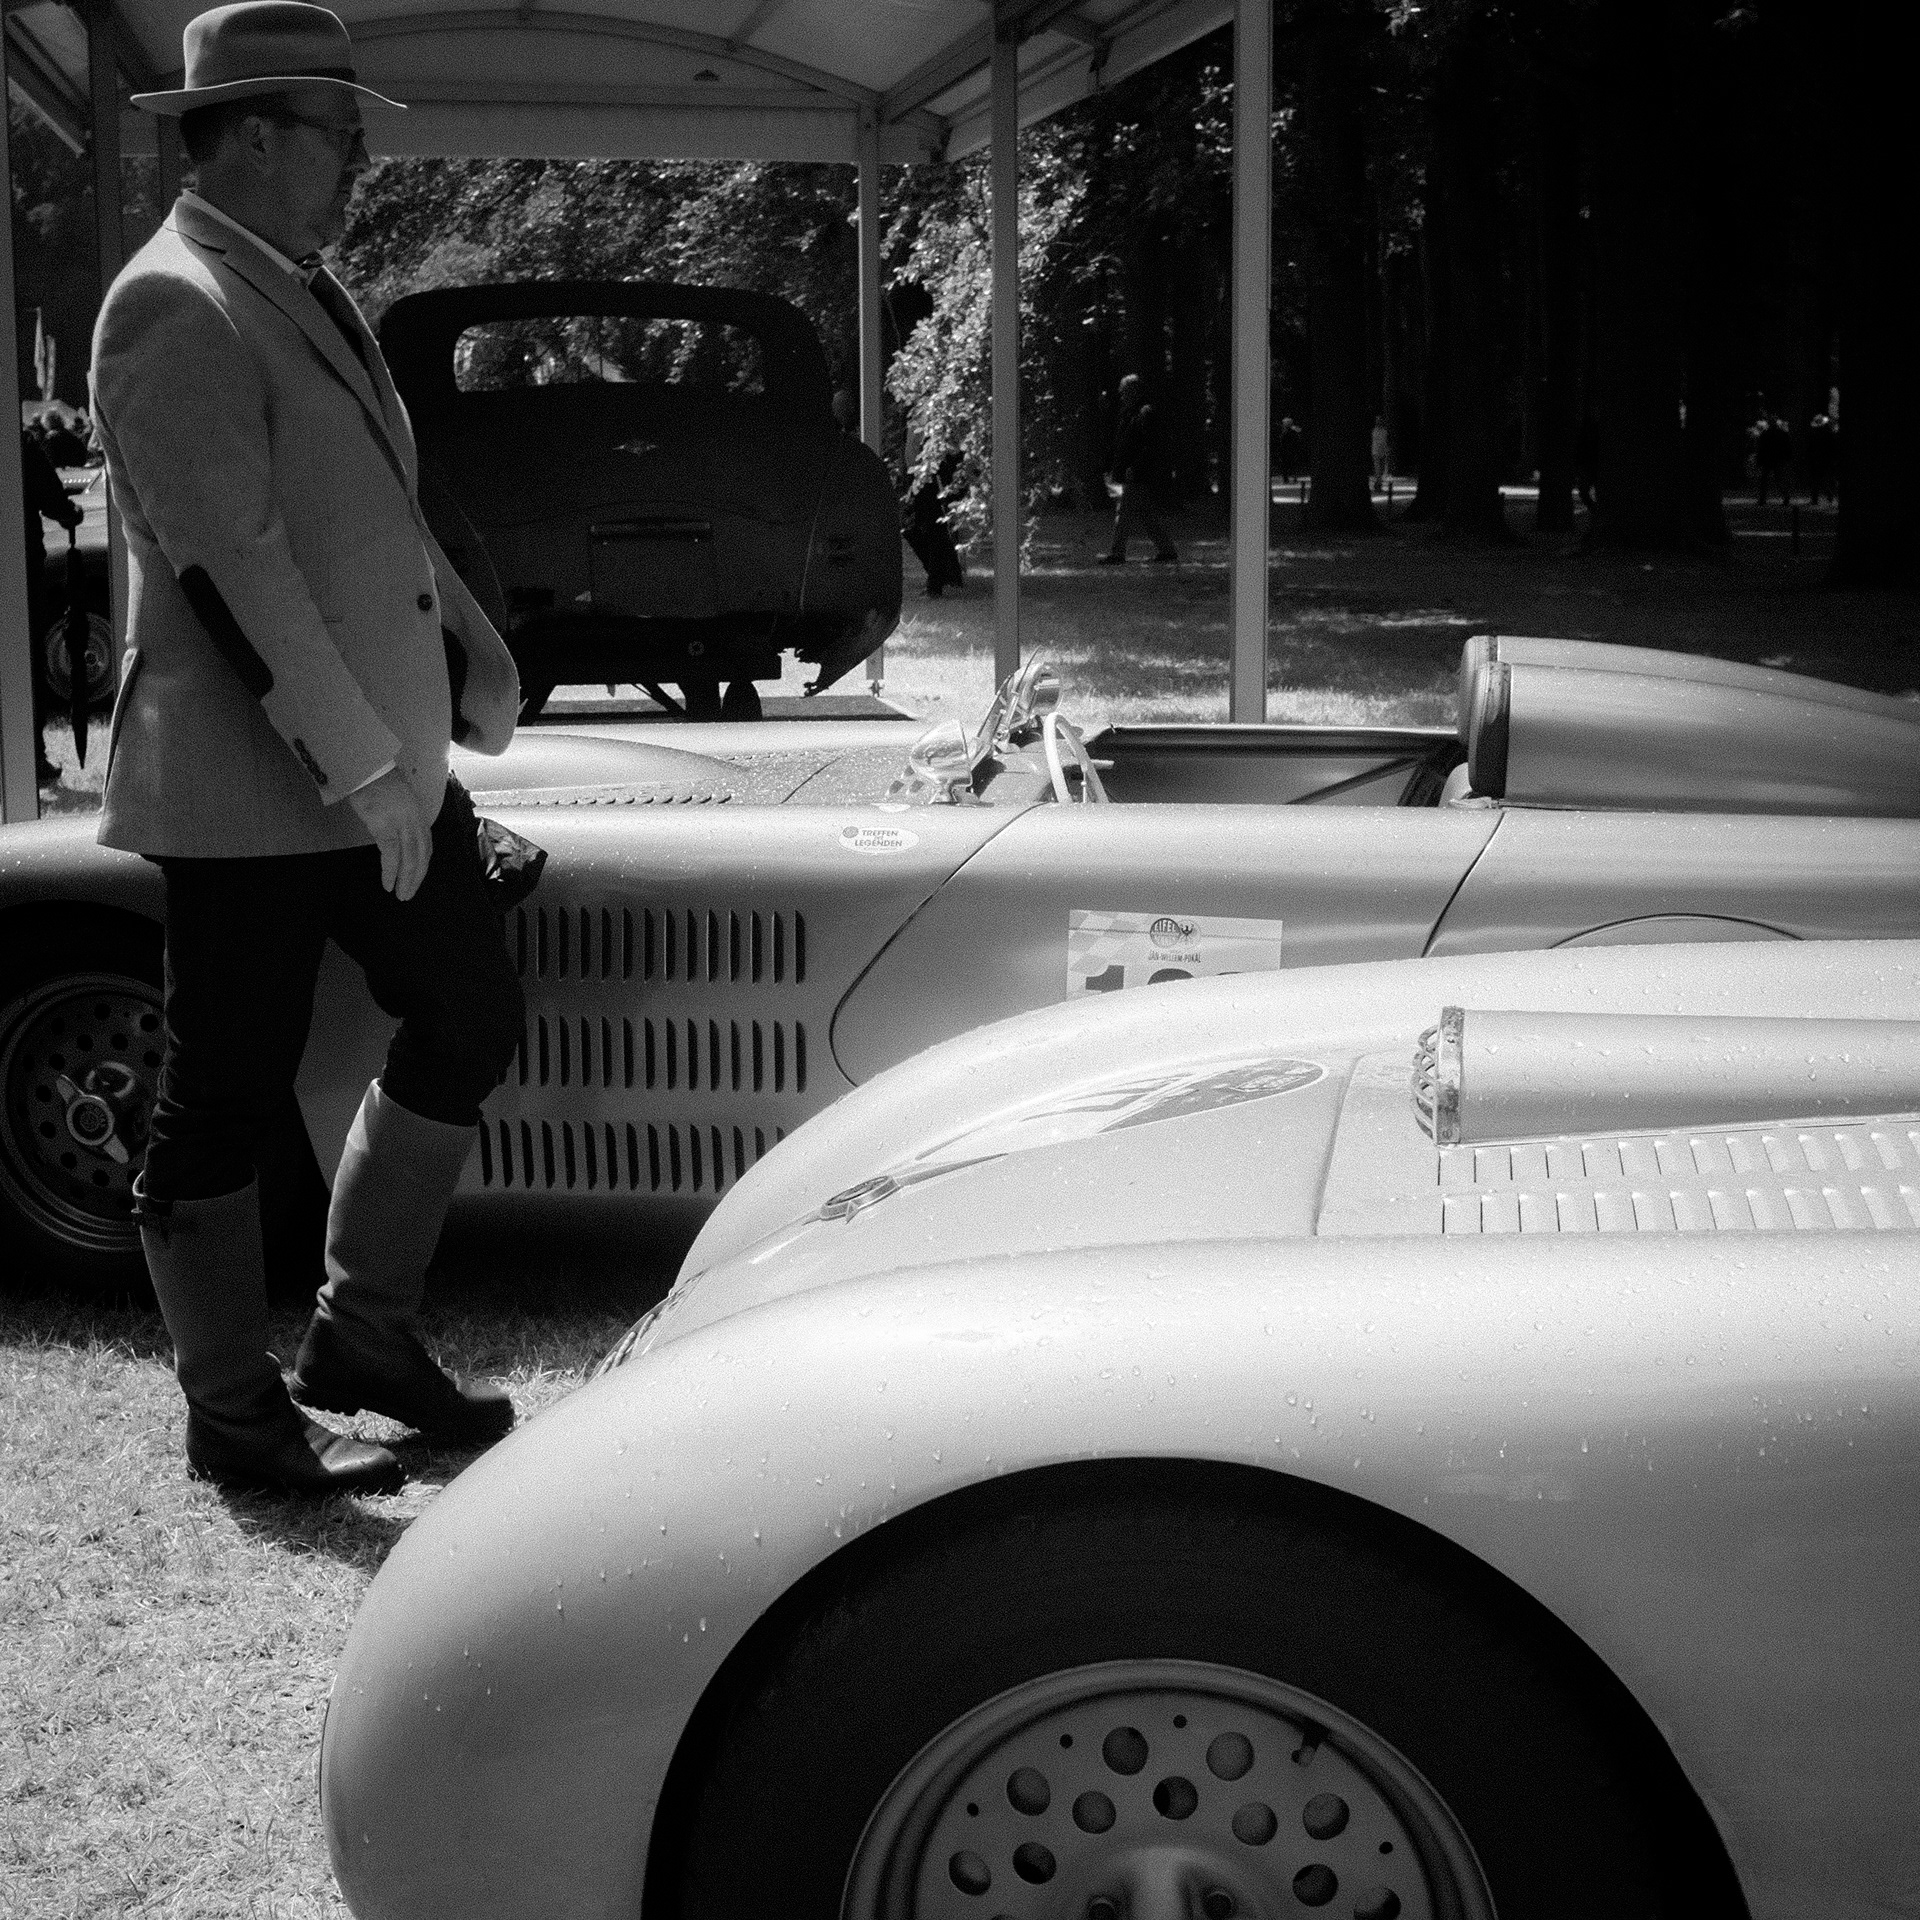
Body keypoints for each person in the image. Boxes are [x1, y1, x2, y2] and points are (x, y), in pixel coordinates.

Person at [91, 1, 526, 1497]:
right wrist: (364, 768)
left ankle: (363, 1340)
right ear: (258, 136)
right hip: (247, 787)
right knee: (224, 1089)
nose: (359, 163)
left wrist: (473, 652)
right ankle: (234, 1415)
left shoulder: (293, 282)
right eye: (342, 135)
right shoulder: (172, 303)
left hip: (374, 764)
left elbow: (376, 516)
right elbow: (236, 568)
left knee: (468, 1008)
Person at [19, 428, 85, 786]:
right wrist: (70, 512)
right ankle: (33, 756)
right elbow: (54, 502)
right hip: (20, 569)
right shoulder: (21, 445)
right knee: (27, 663)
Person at [1098, 373, 1176, 565]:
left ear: (1134, 391)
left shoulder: (1145, 412)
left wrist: (1135, 466)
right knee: (1146, 514)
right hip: (1132, 472)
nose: (1122, 396)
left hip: (1138, 474)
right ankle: (1167, 550)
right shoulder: (1130, 413)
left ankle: (1117, 553)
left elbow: (1150, 445)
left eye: (1124, 392)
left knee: (1124, 513)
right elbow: (1122, 443)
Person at [1370, 414, 1390, 493]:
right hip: (1376, 452)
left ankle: (1377, 485)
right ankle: (1378, 486)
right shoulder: (1374, 431)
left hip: (1382, 452)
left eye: (1380, 420)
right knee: (1378, 470)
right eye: (1377, 420)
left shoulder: (1384, 431)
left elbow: (1385, 442)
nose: (1379, 422)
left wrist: (1386, 451)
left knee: (1381, 471)